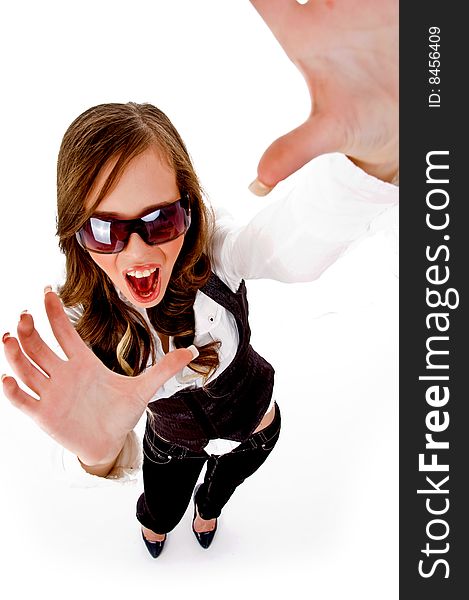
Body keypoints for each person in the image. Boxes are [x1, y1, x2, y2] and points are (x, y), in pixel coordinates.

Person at [2, 0, 398, 559]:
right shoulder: (78, 326)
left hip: (254, 422)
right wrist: (99, 452)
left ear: (186, 213)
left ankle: (210, 508)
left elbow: (290, 245)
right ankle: (161, 524)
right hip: (171, 445)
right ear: (76, 234)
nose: (138, 249)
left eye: (158, 220)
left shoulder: (216, 254)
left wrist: (374, 164)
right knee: (162, 505)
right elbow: (85, 428)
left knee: (224, 484)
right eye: (105, 230)